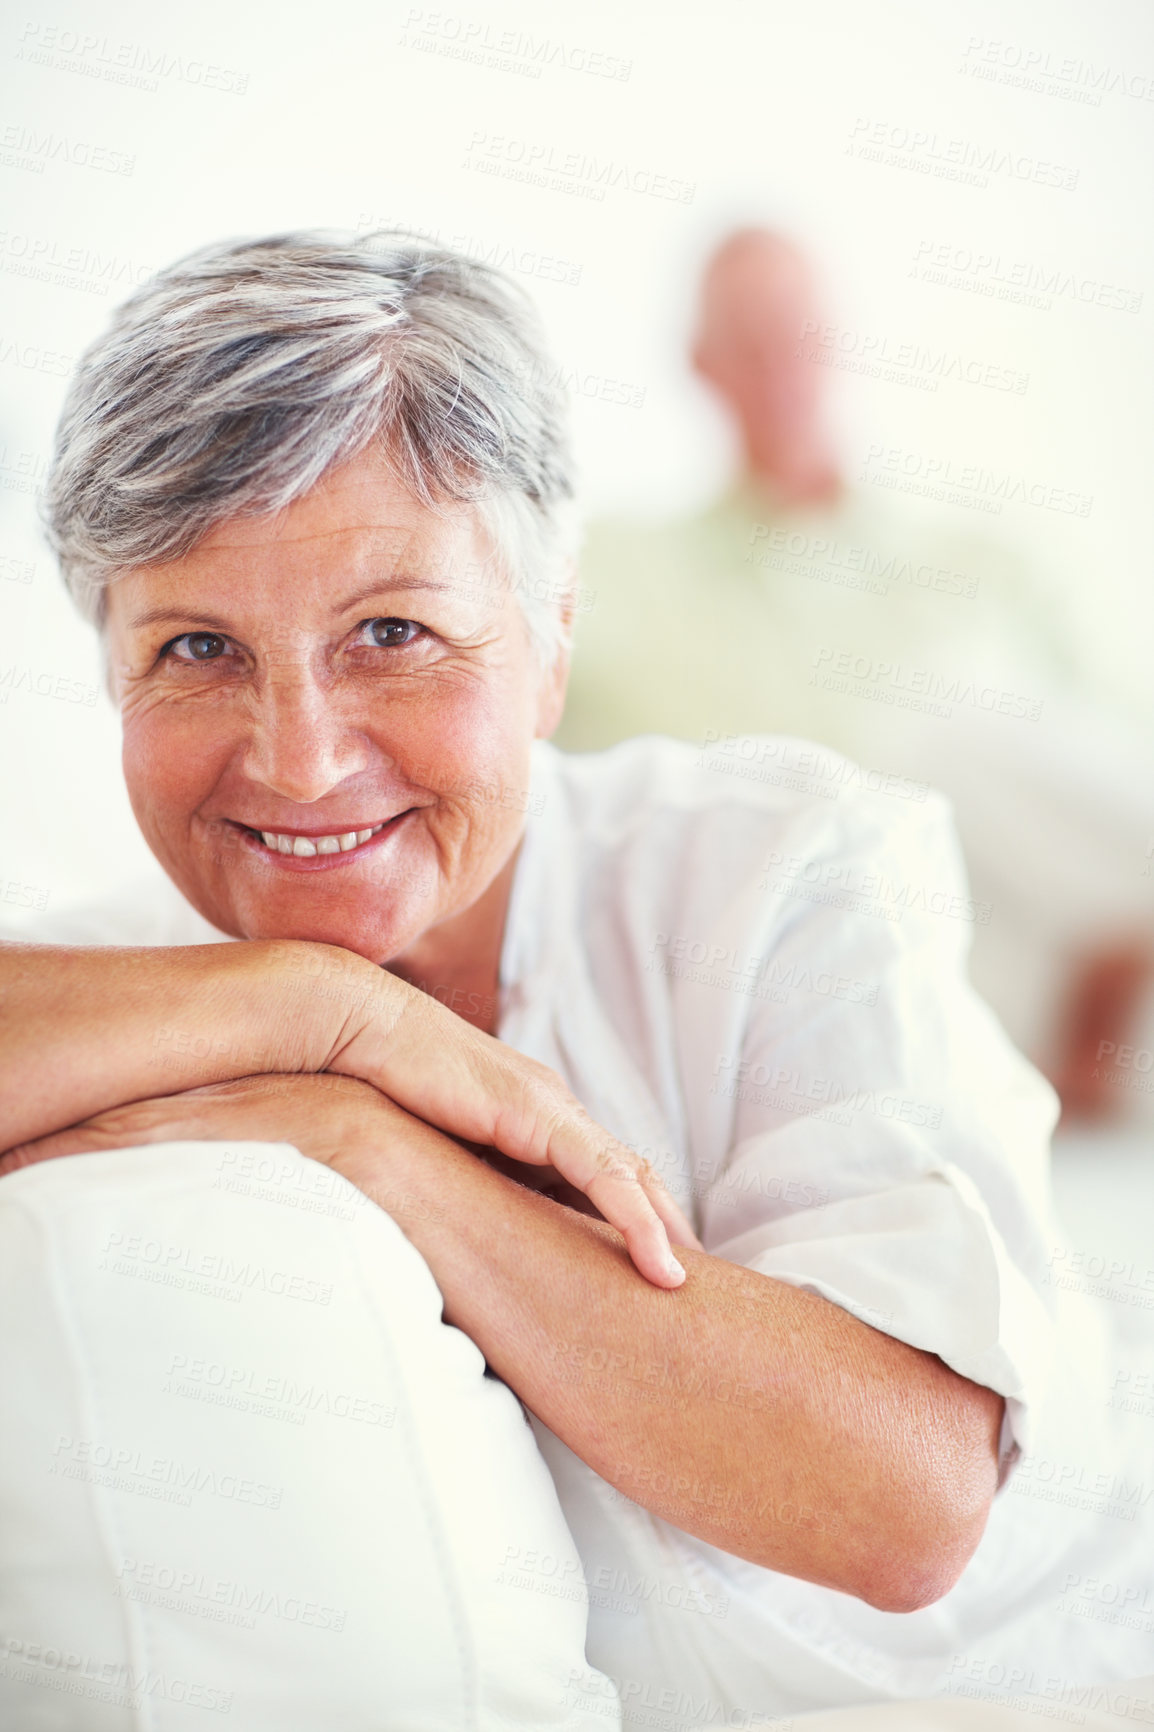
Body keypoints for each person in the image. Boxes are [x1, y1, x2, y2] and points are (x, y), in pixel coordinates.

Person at [0, 231, 1148, 1730]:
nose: (297, 759)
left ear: (550, 641)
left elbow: (902, 1503)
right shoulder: (136, 996)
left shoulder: (785, 863)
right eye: (197, 646)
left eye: (392, 633)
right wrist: (321, 1016)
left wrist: (373, 1133)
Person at [556, 229, 1154, 1120]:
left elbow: (1110, 736)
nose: (780, 366)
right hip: (893, 939)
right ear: (702, 364)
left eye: (799, 333)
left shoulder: (979, 559)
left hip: (1065, 880)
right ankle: (1100, 1020)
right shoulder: (621, 571)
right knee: (856, 901)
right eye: (749, 340)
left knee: (948, 729)